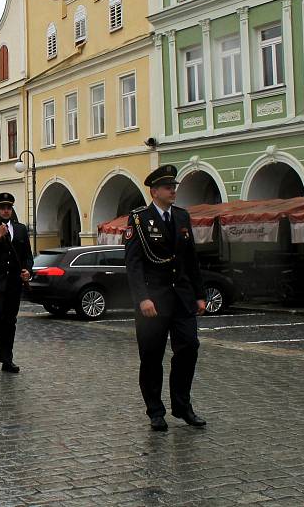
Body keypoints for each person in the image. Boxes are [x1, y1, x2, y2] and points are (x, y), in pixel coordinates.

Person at [124, 164, 207, 432]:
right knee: (151, 356)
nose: (173, 190)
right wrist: (142, 298)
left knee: (189, 348)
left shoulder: (182, 217)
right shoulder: (139, 219)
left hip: (181, 297)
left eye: (174, 187)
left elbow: (191, 259)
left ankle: (182, 406)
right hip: (153, 300)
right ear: (154, 191)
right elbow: (133, 264)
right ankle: (155, 411)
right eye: (168, 187)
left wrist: (199, 295)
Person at [0, 193, 33, 373]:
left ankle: (7, 359)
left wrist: (27, 270)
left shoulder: (21, 229)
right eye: (2, 208)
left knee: (10, 321)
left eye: (9, 207)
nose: (6, 211)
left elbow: (27, 256)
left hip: (13, 283)